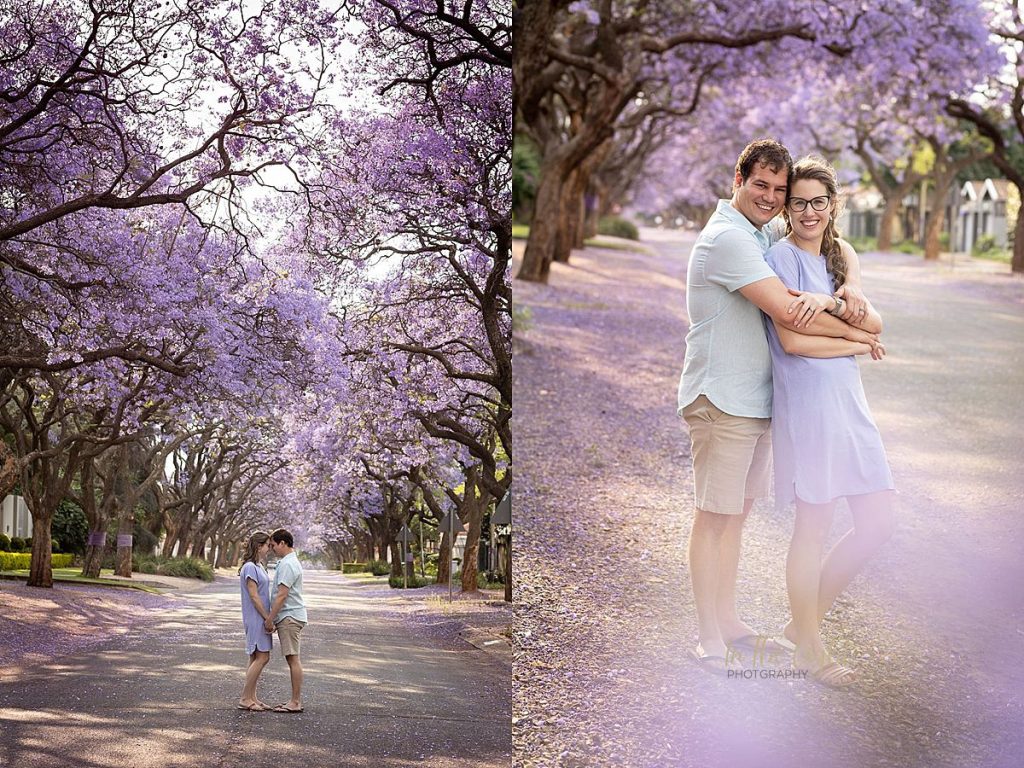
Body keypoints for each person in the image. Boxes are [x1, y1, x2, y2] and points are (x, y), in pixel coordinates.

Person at [678, 138, 879, 675]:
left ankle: (728, 623)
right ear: (737, 180)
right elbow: (790, 315)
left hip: (754, 401)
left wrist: (852, 286)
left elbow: (831, 244)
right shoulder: (728, 239)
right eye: (760, 185)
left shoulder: (760, 230)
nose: (770, 197)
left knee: (735, 518)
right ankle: (707, 636)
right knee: (713, 518)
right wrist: (856, 333)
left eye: (778, 189)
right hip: (721, 399)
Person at [762, 156, 895, 687]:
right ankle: (810, 650)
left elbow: (878, 322)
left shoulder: (840, 256)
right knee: (812, 527)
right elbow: (793, 341)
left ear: (833, 204)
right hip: (810, 404)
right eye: (798, 203)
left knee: (878, 521)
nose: (808, 212)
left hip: (848, 404)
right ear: (787, 208)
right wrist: (856, 340)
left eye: (818, 201)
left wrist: (830, 304)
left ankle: (801, 627)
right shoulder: (780, 257)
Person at [264, 528, 307, 712]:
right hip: (290, 616)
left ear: (283, 543)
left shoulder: (288, 564)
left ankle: (295, 702)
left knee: (293, 659)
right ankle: (294, 701)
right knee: (292, 658)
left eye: (273, 545)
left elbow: (282, 595)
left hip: (289, 617)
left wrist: (270, 619)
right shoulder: (287, 562)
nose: (272, 549)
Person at [238, 531, 273, 711]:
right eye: (267, 545)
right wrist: (267, 618)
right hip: (256, 617)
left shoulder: (259, 566)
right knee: (262, 656)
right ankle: (245, 698)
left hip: (259, 616)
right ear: (259, 546)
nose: (269, 548)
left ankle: (252, 697)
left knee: (255, 657)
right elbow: (254, 595)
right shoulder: (250, 567)